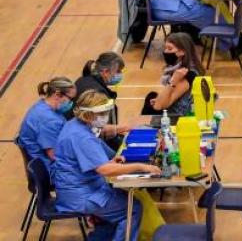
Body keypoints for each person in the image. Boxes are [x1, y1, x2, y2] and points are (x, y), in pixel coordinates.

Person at [53, 90, 161, 241]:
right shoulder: (82, 138)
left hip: (80, 187)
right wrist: (140, 166)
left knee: (125, 202)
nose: (105, 117)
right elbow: (105, 170)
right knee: (133, 209)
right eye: (102, 113)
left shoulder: (75, 124)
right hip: (82, 195)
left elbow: (100, 138)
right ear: (89, 115)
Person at [74, 52, 132, 150]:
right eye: (118, 71)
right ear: (105, 72)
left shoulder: (83, 79)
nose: (120, 75)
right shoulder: (98, 94)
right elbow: (99, 129)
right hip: (90, 142)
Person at [17, 77, 76, 173]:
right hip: (52, 169)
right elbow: (55, 155)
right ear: (57, 94)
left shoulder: (45, 106)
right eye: (71, 99)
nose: (72, 103)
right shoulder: (47, 120)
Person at [146, 32, 206, 116]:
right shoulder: (177, 69)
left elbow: (159, 106)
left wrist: (173, 80)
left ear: (182, 51)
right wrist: (159, 98)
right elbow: (167, 98)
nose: (165, 52)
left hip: (177, 121)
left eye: (170, 49)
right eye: (165, 48)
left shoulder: (186, 74)